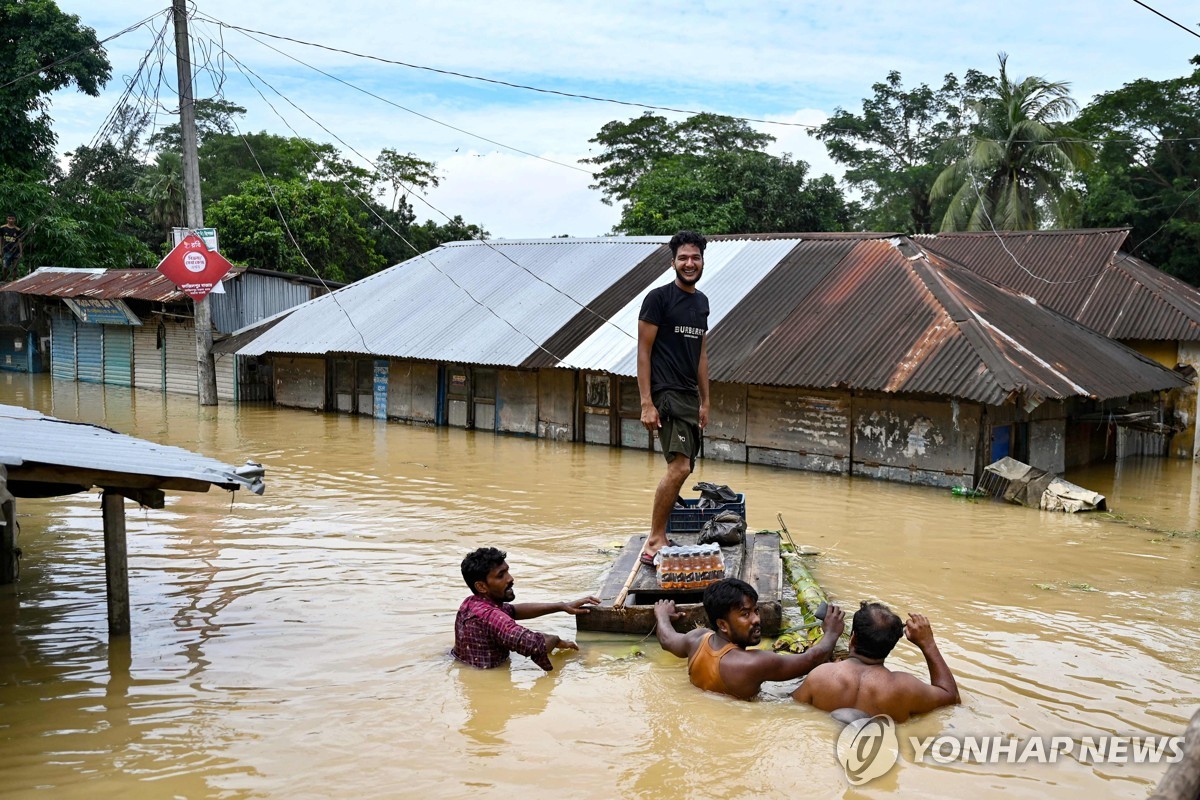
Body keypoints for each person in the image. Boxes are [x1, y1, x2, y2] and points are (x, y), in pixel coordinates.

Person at [637, 230, 710, 566]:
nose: (689, 263)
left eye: (695, 257)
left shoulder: (701, 302)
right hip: (665, 394)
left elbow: (701, 355)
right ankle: (654, 539)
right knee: (679, 466)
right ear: (673, 263)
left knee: (685, 467)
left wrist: (705, 401)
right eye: (683, 258)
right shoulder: (658, 299)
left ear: (702, 261)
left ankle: (661, 534)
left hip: (689, 398)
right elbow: (643, 350)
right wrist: (646, 403)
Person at [654, 578, 845, 700]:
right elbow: (811, 658)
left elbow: (667, 639)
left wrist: (662, 614)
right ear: (722, 625)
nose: (756, 619)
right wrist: (832, 632)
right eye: (745, 614)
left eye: (755, 610)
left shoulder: (696, 639)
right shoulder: (753, 663)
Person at [793, 601, 959, 722]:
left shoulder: (821, 676)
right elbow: (951, 698)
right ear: (891, 646)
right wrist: (928, 644)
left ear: (853, 638)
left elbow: (792, 704)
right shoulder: (905, 688)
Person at [452, 546, 599, 672]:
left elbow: (514, 611)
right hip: (489, 682)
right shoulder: (492, 616)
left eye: (507, 571)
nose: (510, 578)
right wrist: (558, 641)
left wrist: (561, 606)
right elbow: (536, 645)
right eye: (501, 575)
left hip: (467, 672)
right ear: (481, 586)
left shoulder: (471, 603)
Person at [1, 215, 22, 281]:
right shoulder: (2, 228)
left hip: (16, 251)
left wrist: (21, 252)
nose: (11, 220)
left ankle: (14, 281)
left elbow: (20, 241)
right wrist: (0, 250)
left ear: (15, 219)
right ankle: (5, 281)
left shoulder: (17, 230)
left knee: (15, 267)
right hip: (6, 250)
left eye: (12, 219)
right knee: (5, 267)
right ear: (7, 219)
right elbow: (1, 239)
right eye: (9, 218)